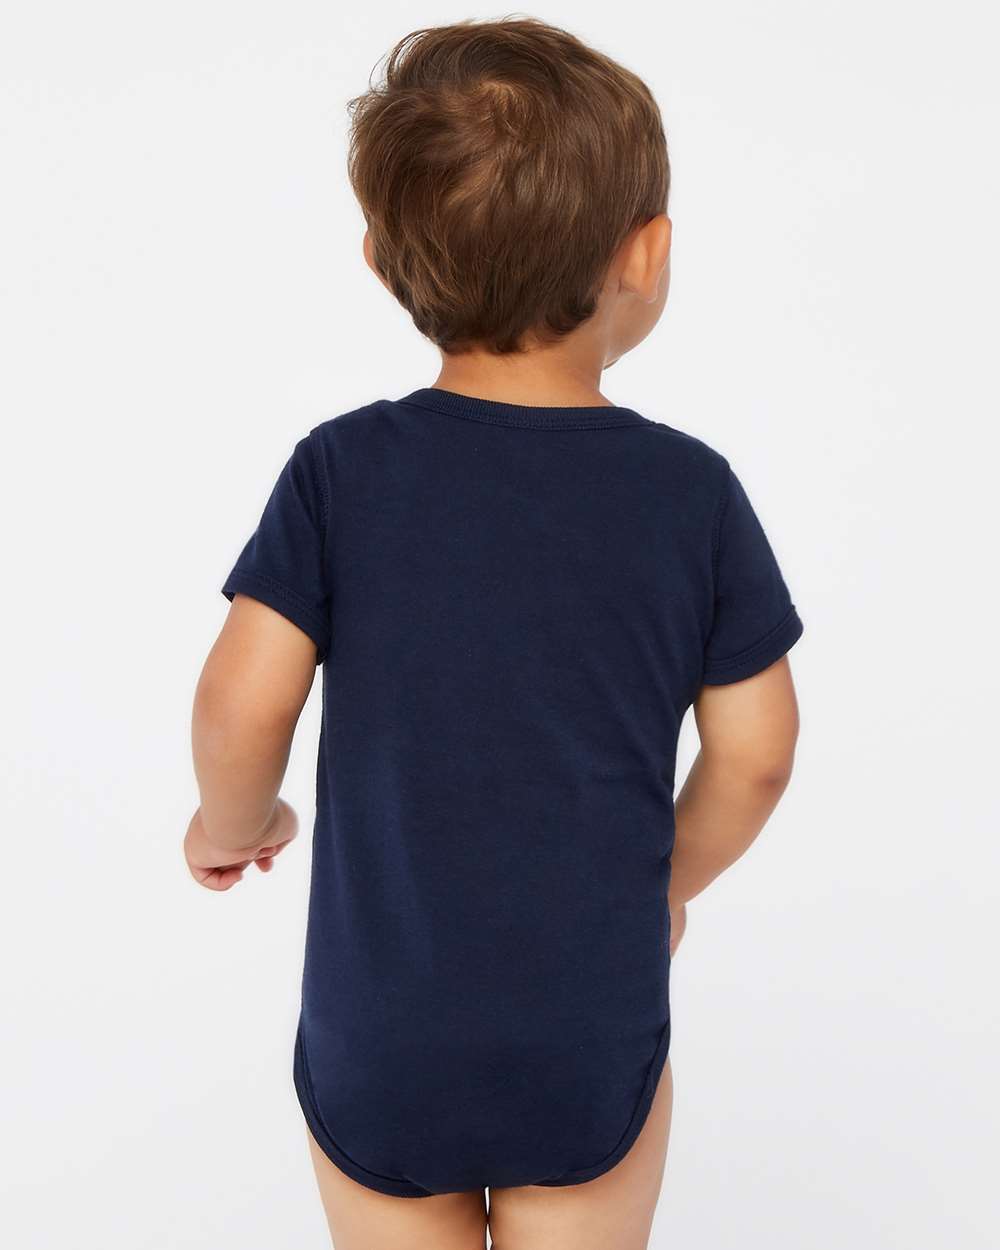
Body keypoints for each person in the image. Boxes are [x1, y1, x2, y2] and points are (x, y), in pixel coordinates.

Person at [183, 16, 804, 1250]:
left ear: (380, 261)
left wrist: (231, 825)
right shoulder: (689, 494)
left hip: (383, 1022)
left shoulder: (340, 473)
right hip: (585, 1022)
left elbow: (244, 702)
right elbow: (758, 753)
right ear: (647, 253)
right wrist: (661, 886)